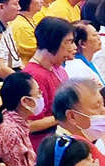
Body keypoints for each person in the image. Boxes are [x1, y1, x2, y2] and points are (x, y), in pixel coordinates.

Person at [24, 15, 75, 151]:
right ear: (53, 42)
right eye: (68, 42)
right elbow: (28, 125)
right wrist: (64, 116)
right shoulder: (34, 76)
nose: (72, 48)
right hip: (45, 146)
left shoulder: (57, 69)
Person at [64, 22, 105, 89]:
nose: (99, 37)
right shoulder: (75, 66)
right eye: (94, 35)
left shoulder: (89, 62)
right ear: (82, 43)